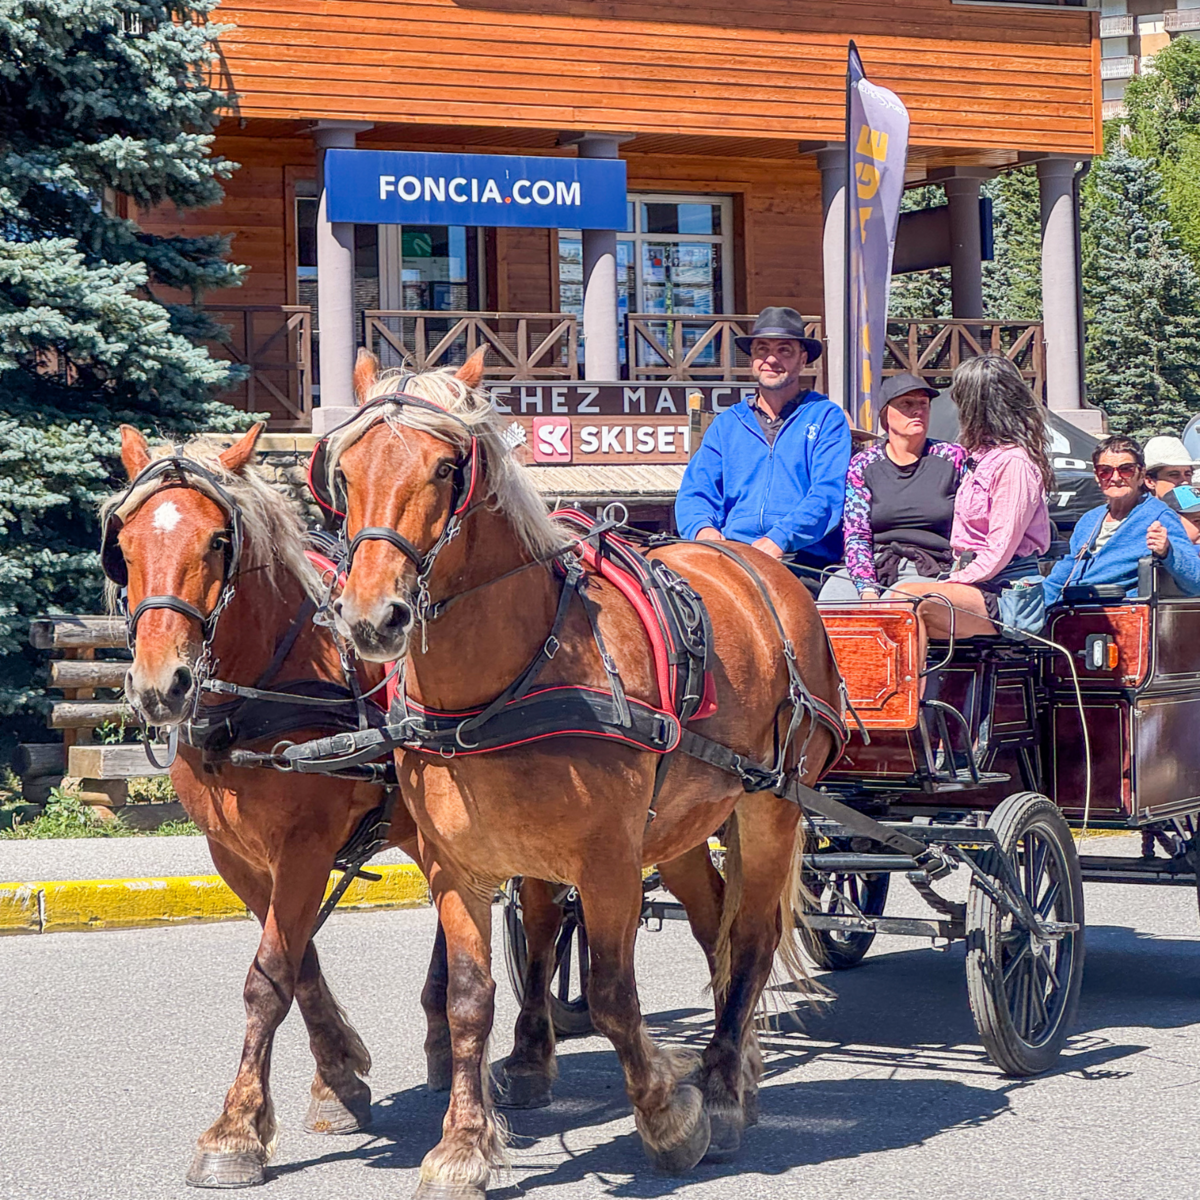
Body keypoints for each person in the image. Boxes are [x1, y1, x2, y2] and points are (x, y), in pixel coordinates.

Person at [893, 354, 1053, 666]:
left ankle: (902, 698)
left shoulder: (1014, 463)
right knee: (887, 604)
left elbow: (1000, 548)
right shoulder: (978, 457)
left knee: (905, 600)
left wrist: (952, 581)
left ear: (978, 406)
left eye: (961, 399)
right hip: (975, 583)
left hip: (1006, 594)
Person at [674, 306, 851, 578]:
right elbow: (696, 492)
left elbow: (827, 494)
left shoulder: (826, 417)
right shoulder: (726, 424)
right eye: (762, 349)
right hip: (734, 557)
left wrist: (779, 539)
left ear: (803, 360)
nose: (771, 359)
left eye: (784, 350)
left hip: (804, 561)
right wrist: (703, 530)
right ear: (752, 359)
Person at [819, 372, 966, 602]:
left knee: (895, 606)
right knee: (831, 600)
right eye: (906, 404)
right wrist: (867, 589)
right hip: (876, 563)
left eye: (923, 404)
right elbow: (857, 534)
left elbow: (971, 524)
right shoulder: (863, 464)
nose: (917, 411)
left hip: (933, 567)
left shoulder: (953, 457)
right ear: (886, 415)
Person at [1043, 435, 1200, 605]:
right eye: (1105, 471)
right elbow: (1060, 577)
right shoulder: (1089, 519)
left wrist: (1167, 551)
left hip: (1120, 612)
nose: (1116, 478)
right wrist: (1039, 606)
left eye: (1126, 470)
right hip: (1069, 611)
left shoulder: (1159, 516)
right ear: (1097, 476)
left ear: (1141, 474)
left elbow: (1195, 582)